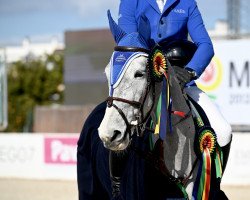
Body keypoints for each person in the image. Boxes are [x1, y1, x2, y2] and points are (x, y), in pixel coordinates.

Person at [108, 0, 232, 198]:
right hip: (144, 85)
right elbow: (129, 41)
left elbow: (205, 45)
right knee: (120, 125)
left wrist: (190, 71)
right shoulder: (131, 2)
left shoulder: (187, 3)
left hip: (181, 82)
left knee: (224, 131)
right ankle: (116, 187)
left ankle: (212, 188)